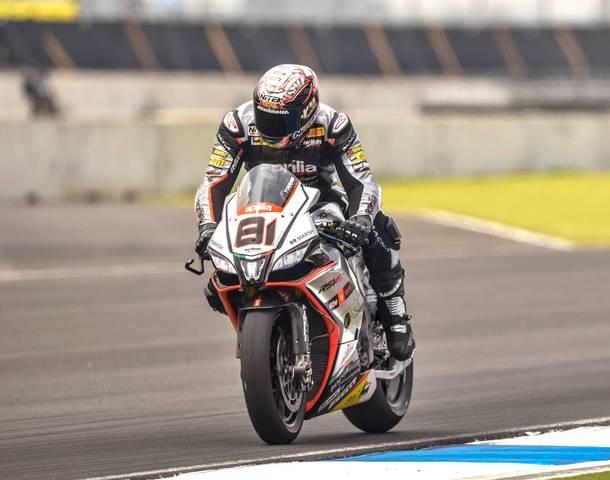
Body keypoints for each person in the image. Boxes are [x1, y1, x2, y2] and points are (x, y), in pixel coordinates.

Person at [194, 64, 414, 361]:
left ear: (308, 108)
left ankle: (394, 309)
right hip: (262, 205)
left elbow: (362, 180)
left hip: (319, 204)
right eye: (265, 115)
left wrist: (361, 218)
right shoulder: (237, 125)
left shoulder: (333, 124)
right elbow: (214, 181)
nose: (271, 126)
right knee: (219, 278)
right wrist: (208, 226)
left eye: (281, 119)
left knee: (377, 227)